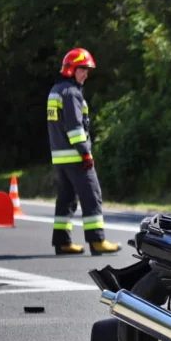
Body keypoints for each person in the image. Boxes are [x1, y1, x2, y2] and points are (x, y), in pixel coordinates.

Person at [47, 48, 121, 256]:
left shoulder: (55, 90)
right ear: (71, 69)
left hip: (60, 157)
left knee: (66, 199)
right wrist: (85, 153)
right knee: (92, 195)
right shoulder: (71, 93)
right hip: (76, 156)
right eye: (83, 70)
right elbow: (74, 127)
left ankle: (62, 242)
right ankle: (97, 241)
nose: (86, 74)